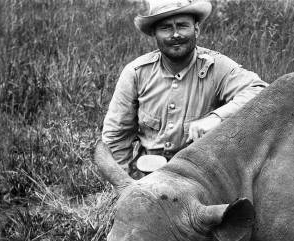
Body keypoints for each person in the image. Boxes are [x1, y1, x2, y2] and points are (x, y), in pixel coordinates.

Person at [100, 0, 267, 176]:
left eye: (182, 25)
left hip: (201, 179)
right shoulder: (136, 73)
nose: (175, 34)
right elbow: (115, 137)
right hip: (148, 179)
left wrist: (217, 118)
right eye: (165, 28)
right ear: (154, 34)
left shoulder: (217, 67)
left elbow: (261, 91)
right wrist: (125, 186)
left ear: (196, 29)